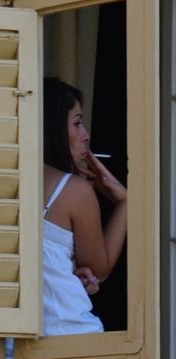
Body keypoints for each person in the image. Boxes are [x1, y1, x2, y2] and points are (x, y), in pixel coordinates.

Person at [41, 77, 127, 335]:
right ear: (52, 127)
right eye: (77, 123)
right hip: (69, 335)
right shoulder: (74, 190)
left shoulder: (0, 185)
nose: (86, 135)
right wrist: (125, 202)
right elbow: (98, 270)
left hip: (8, 347)